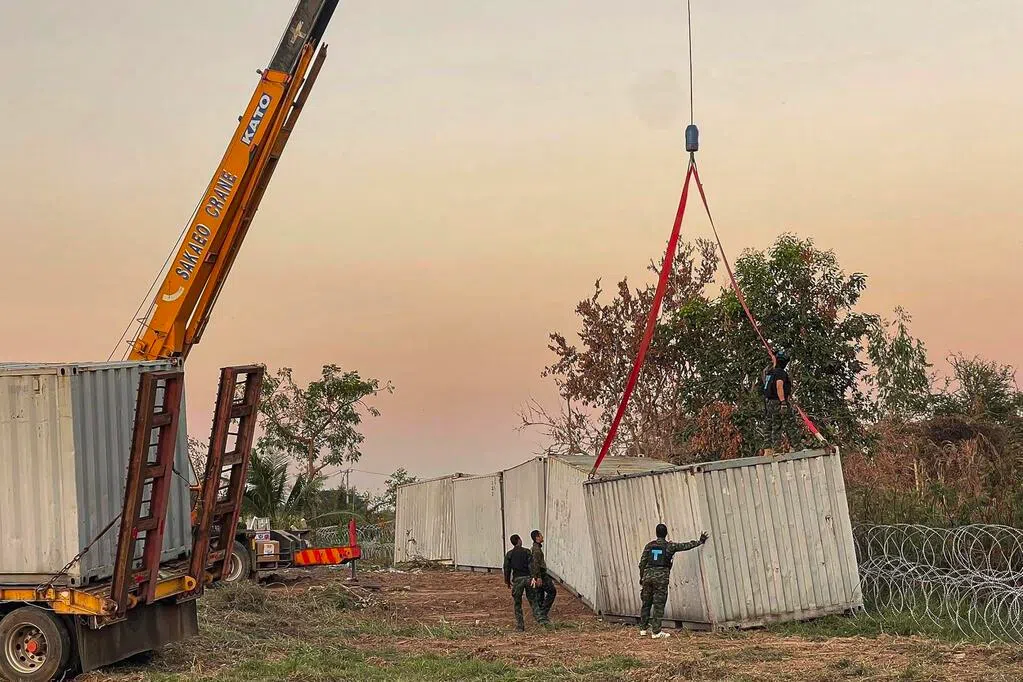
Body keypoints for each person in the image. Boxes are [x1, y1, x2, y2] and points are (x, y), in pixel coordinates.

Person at [638, 523, 708, 638]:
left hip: (647, 576)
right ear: (666, 533)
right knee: (658, 604)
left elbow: (642, 563)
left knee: (646, 603)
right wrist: (700, 541)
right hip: (661, 578)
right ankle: (656, 632)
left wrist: (642, 577)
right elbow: (685, 546)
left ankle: (643, 629)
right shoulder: (670, 546)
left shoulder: (649, 546)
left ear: (656, 533)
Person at [762, 351, 798, 454]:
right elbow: (779, 386)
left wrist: (773, 358)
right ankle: (795, 447)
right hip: (778, 402)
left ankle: (770, 449)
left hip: (769, 403)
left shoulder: (770, 372)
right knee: (789, 423)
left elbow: (772, 366)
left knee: (771, 425)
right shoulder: (780, 373)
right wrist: (783, 402)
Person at [503, 534, 538, 631]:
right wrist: (534, 577)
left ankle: (520, 626)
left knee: (517, 603)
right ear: (519, 540)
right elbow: (532, 566)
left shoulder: (509, 554)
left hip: (517, 580)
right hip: (527, 578)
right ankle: (540, 620)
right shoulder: (526, 551)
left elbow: (507, 568)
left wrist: (507, 581)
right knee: (533, 600)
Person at [529, 529, 556, 626]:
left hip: (538, 574)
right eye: (540, 535)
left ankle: (540, 615)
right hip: (541, 575)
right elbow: (536, 564)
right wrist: (538, 577)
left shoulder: (535, 548)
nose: (542, 537)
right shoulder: (536, 550)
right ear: (537, 538)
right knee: (552, 591)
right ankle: (543, 613)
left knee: (540, 594)